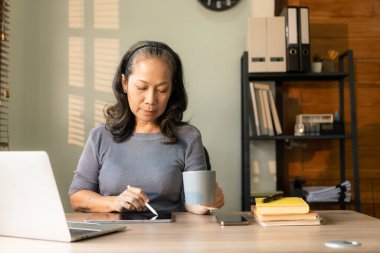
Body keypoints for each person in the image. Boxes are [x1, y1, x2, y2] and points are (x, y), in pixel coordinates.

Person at [68, 40, 224, 215]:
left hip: (169, 237)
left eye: (162, 90)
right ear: (124, 83)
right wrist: (114, 202)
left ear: (172, 90)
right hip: (111, 237)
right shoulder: (101, 136)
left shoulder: (188, 137)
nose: (150, 100)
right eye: (141, 87)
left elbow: (194, 203)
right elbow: (77, 196)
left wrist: (206, 202)